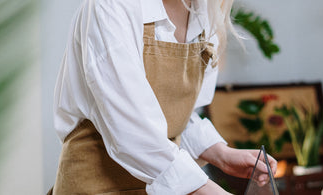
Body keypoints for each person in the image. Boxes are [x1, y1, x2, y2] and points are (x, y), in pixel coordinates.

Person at [49, 0, 277, 194]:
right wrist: (203, 188)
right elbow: (131, 131)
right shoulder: (111, 6)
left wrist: (221, 154)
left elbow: (176, 117)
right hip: (94, 186)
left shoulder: (202, 14)